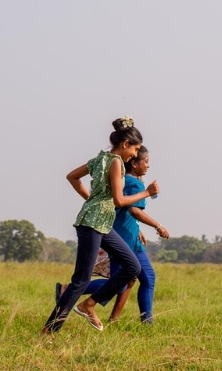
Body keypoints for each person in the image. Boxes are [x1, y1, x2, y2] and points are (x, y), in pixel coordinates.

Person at [42, 117, 159, 333]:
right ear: (125, 144)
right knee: (80, 281)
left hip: (102, 224)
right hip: (92, 225)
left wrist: (91, 199)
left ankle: (89, 304)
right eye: (135, 149)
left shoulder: (99, 158)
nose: (135, 155)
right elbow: (119, 201)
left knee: (133, 266)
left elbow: (72, 177)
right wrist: (147, 193)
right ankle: (49, 329)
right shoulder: (116, 163)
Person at [59, 145, 169, 323]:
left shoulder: (114, 169)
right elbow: (131, 209)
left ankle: (119, 319)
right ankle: (76, 300)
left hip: (121, 232)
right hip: (121, 236)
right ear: (133, 160)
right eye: (145, 161)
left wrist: (137, 228)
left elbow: (121, 209)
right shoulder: (129, 178)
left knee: (134, 277)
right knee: (128, 279)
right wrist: (157, 224)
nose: (148, 165)